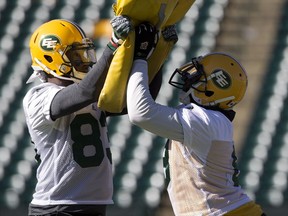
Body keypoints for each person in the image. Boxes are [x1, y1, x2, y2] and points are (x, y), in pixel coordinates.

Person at [126, 22, 266, 216]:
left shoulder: (206, 121)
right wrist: (158, 53)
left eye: (199, 76)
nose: (190, 77)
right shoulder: (212, 120)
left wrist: (140, 58)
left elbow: (140, 113)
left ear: (213, 89)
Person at [22, 16, 133, 216]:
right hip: (55, 207)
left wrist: (151, 53)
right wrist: (113, 45)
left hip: (91, 206)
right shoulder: (38, 96)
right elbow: (85, 92)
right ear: (51, 57)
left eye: (84, 53)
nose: (85, 60)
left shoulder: (86, 90)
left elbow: (134, 102)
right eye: (76, 56)